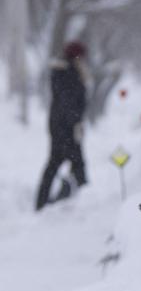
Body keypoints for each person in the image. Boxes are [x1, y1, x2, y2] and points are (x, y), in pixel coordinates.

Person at [36, 41, 89, 211]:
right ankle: (86, 197)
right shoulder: (68, 73)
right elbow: (68, 104)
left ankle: (43, 202)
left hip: (62, 126)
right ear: (76, 57)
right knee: (74, 163)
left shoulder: (65, 72)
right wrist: (75, 125)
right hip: (65, 128)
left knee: (58, 163)